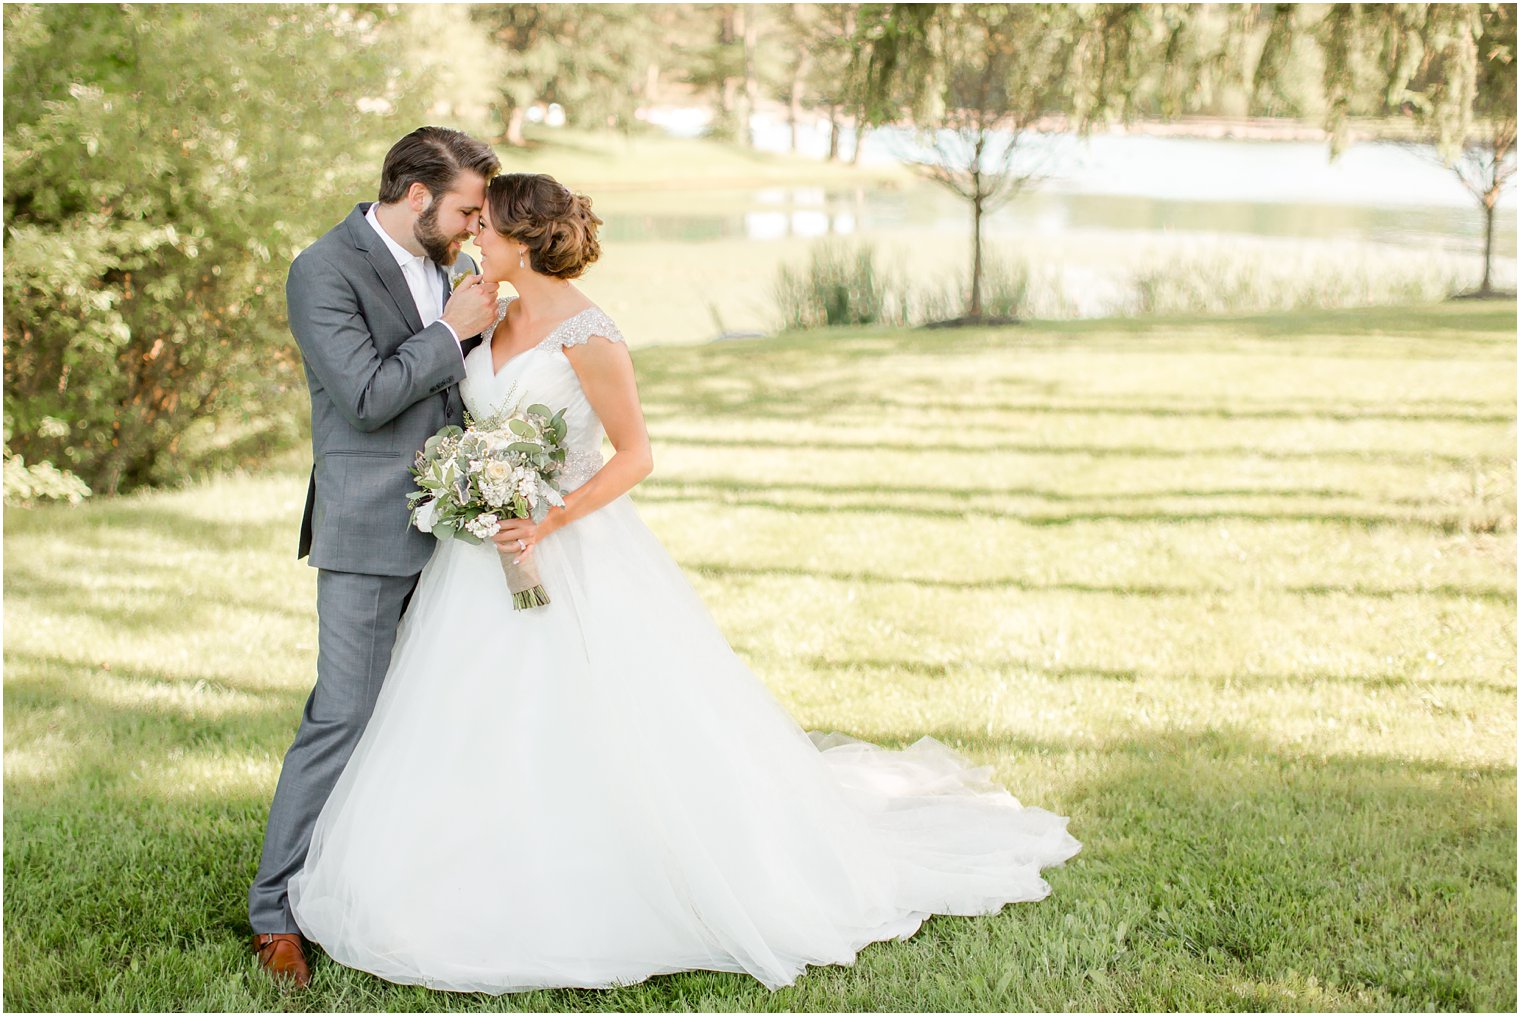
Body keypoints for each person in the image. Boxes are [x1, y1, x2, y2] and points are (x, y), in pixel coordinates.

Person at [285, 172, 1081, 994]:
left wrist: (548, 520)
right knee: (461, 714)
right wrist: (477, 483)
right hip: (480, 556)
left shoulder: (590, 334)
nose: (470, 240)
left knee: (597, 714)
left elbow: (635, 454)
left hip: (568, 545)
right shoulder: (488, 311)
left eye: (483, 227)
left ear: (523, 238)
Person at [248, 127, 502, 987]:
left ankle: (404, 887)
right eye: (467, 209)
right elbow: (361, 397)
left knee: (441, 715)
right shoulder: (323, 267)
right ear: (415, 192)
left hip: (458, 528)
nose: (474, 227)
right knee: (344, 717)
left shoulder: (454, 268)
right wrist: (452, 330)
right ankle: (275, 911)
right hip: (368, 527)